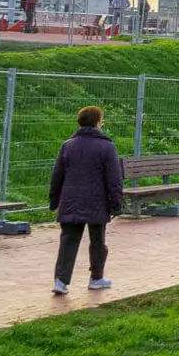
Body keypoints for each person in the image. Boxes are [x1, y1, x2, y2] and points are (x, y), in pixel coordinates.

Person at [48, 105, 123, 294]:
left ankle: (61, 281)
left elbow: (57, 176)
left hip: (70, 201)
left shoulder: (68, 145)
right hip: (97, 202)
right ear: (98, 122)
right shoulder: (107, 146)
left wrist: (54, 200)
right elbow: (114, 179)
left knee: (68, 241)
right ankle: (96, 278)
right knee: (97, 241)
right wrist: (116, 204)